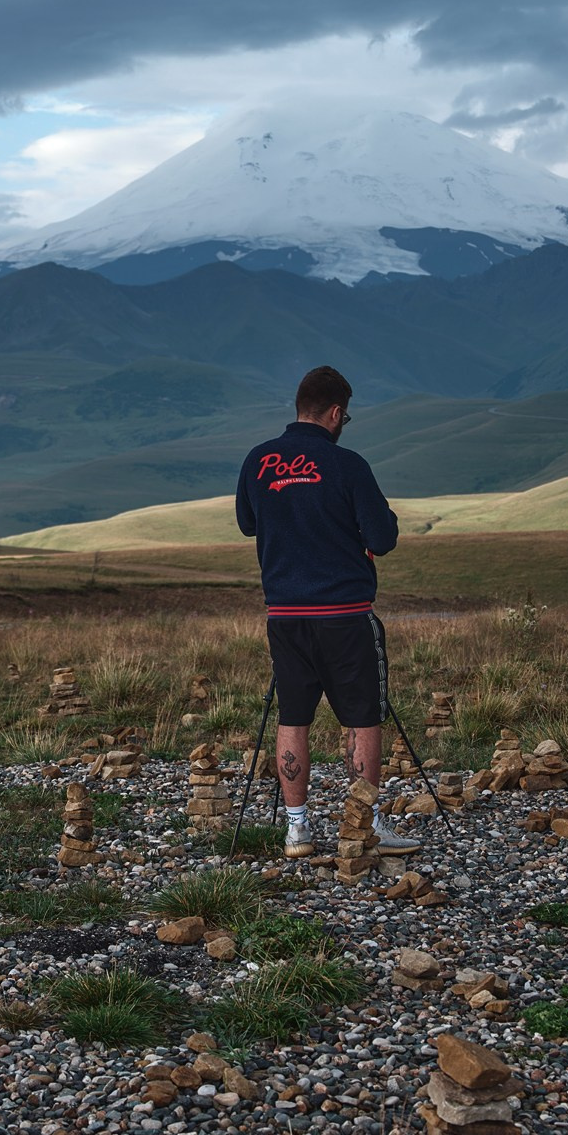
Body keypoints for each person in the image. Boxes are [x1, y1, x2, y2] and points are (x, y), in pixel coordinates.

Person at [235, 365, 418, 859]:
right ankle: (367, 825)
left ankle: (297, 830)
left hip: (285, 615)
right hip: (345, 611)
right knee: (362, 718)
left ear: (299, 407)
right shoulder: (347, 465)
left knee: (293, 717)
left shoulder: (258, 460)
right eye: (346, 416)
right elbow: (383, 538)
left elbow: (247, 524)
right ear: (336, 412)